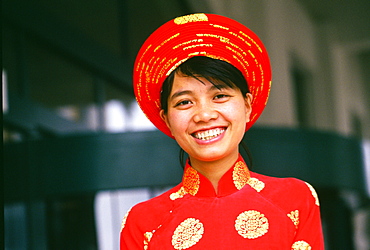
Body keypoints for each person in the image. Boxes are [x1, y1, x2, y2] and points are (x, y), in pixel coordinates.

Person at [120, 13, 324, 249]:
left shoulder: (296, 199)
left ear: (247, 105)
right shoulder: (142, 222)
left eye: (220, 96)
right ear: (166, 119)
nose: (204, 115)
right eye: (185, 102)